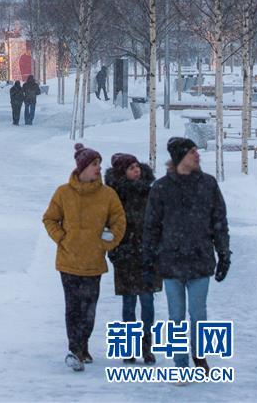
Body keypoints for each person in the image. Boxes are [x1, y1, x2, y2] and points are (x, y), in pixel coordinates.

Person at [142, 137, 231, 376]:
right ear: (180, 156)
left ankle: (199, 356)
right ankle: (180, 363)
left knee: (198, 314)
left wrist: (224, 254)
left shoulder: (208, 184)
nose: (197, 155)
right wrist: (147, 259)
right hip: (171, 261)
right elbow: (151, 226)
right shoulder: (161, 188)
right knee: (176, 316)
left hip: (200, 260)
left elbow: (219, 222)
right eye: (192, 152)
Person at [43, 143, 126, 371]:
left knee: (89, 309)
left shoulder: (108, 195)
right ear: (82, 168)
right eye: (93, 164)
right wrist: (62, 238)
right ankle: (75, 349)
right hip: (68, 261)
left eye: (99, 164)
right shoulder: (63, 193)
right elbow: (50, 219)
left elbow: (119, 221)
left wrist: (106, 243)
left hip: (93, 262)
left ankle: (83, 345)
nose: (98, 168)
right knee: (73, 308)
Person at [104, 153, 161, 364]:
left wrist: (157, 248)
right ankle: (129, 347)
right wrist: (115, 251)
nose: (136, 170)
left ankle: (147, 347)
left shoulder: (151, 192)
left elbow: (159, 222)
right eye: (131, 168)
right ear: (122, 173)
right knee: (128, 303)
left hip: (147, 256)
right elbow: (108, 226)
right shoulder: (114, 195)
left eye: (137, 166)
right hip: (125, 256)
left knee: (147, 302)